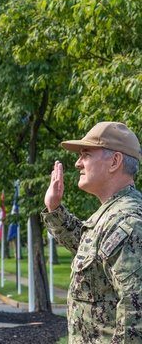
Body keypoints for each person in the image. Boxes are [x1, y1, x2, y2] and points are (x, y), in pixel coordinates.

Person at [42, 121, 142, 343]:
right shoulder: (113, 215)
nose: (78, 163)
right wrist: (54, 209)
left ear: (115, 161)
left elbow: (136, 315)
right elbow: (91, 252)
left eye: (86, 154)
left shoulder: (126, 223)